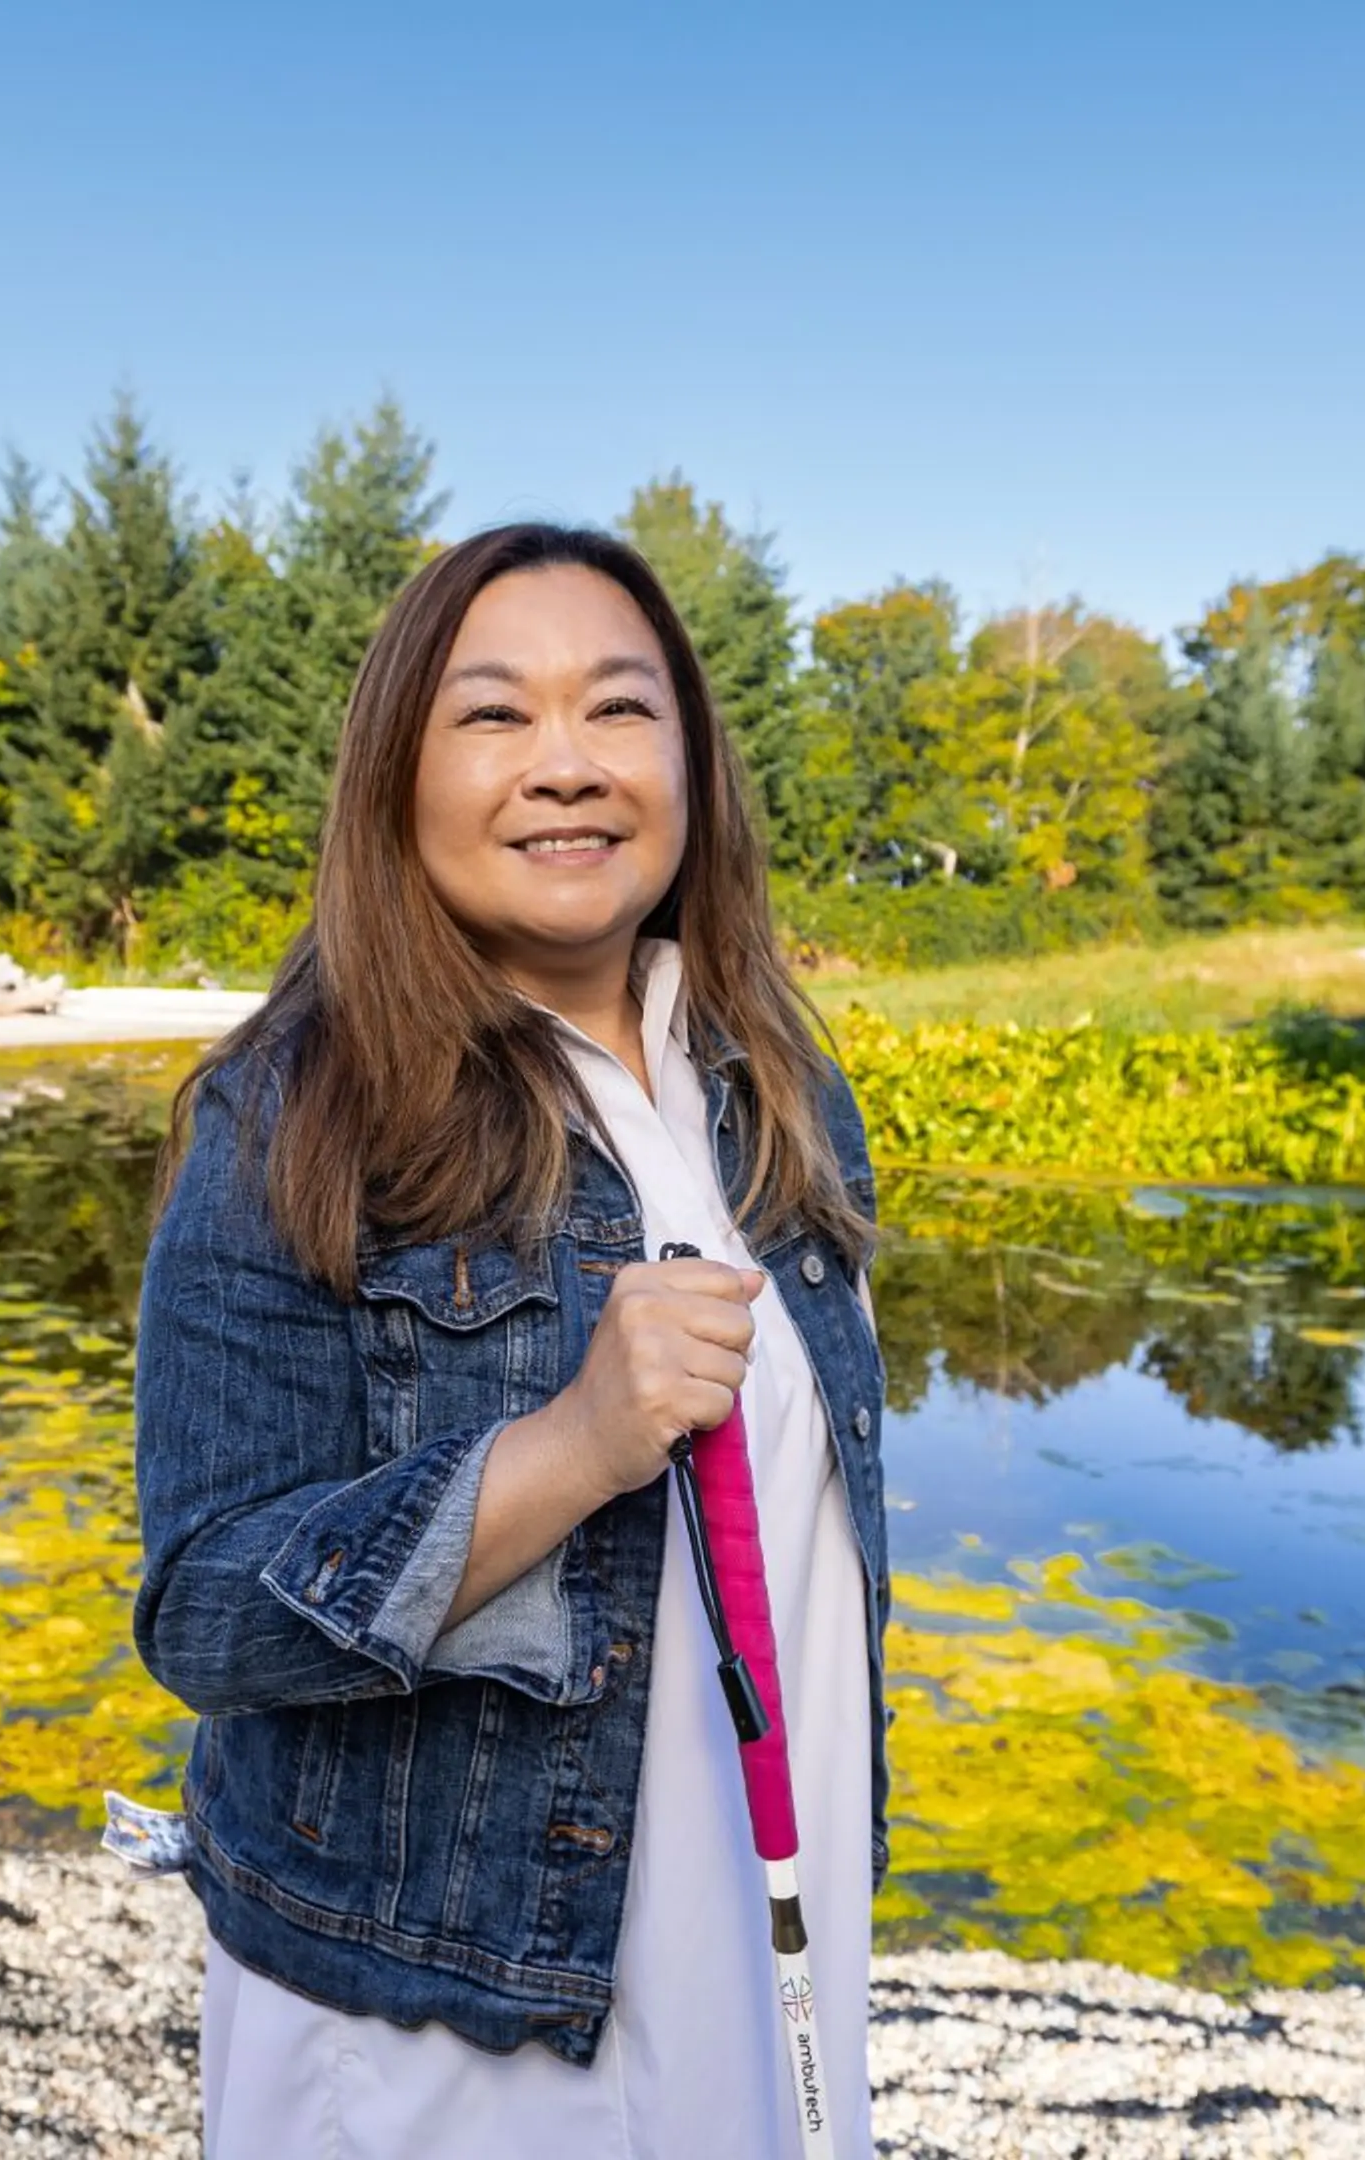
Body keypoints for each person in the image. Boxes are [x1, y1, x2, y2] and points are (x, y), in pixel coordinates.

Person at [129, 522, 894, 2156]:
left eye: (620, 711)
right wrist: (568, 1451)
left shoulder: (779, 1092)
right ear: (397, 773)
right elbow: (202, 1614)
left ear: (690, 765)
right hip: (443, 2014)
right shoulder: (291, 1114)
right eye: (493, 717)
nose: (566, 766)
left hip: (771, 1947)